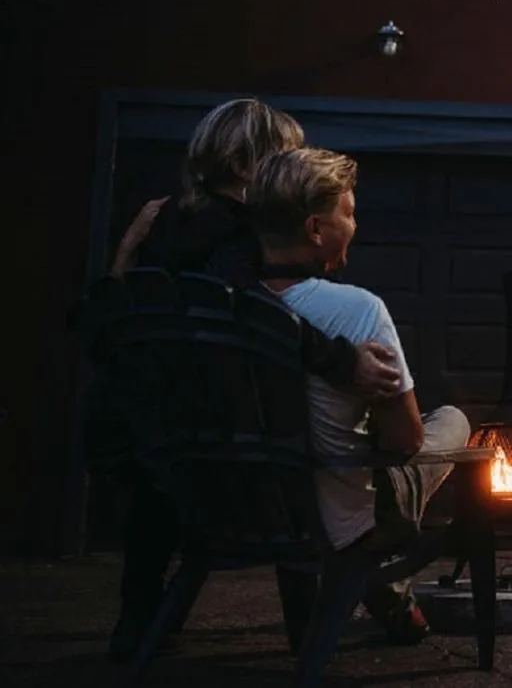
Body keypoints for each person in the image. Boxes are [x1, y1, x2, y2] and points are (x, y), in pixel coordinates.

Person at [91, 98, 404, 661]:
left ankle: (139, 620)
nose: (294, 173)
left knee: (154, 510)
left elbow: (119, 315)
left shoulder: (163, 224)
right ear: (245, 166)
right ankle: (350, 608)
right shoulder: (239, 238)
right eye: (284, 160)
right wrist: (343, 361)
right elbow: (253, 322)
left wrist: (123, 259)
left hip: (161, 428)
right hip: (237, 431)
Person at [249, 146, 474, 644]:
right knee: (451, 421)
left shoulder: (227, 305)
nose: (355, 225)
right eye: (348, 213)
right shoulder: (357, 311)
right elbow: (404, 441)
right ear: (315, 228)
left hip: (252, 506)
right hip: (341, 518)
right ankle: (390, 584)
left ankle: (391, 598)